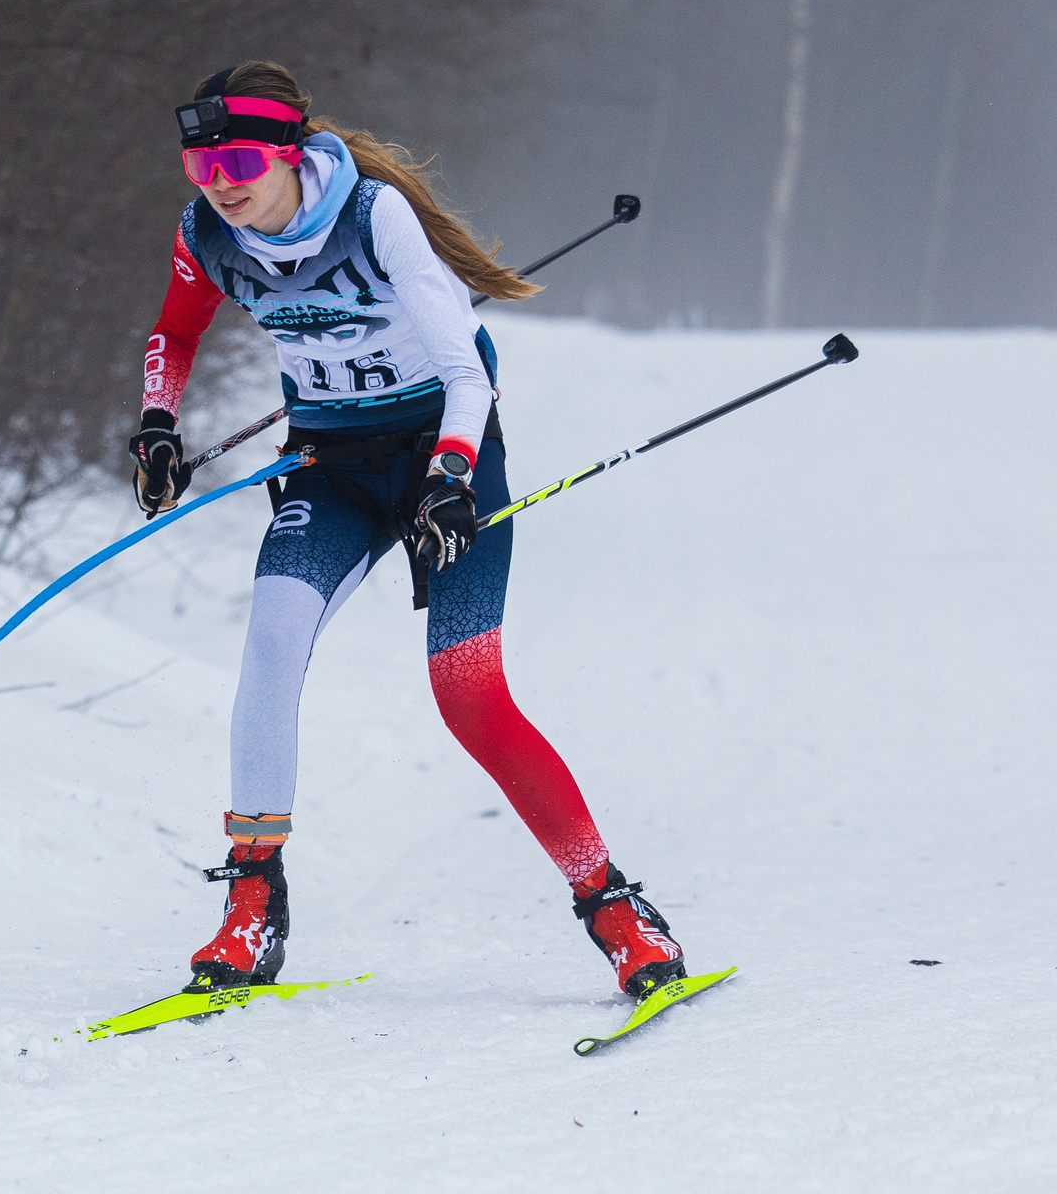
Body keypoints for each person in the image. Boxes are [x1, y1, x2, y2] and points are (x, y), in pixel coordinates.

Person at [131, 62, 686, 1001]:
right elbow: (175, 334)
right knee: (271, 638)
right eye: (201, 165)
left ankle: (612, 905)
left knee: (469, 694)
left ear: (290, 153)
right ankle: (252, 902)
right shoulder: (206, 235)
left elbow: (468, 373)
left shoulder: (372, 215)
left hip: (444, 457)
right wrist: (157, 423)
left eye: (240, 161)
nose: (221, 182)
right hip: (331, 465)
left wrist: (453, 474)